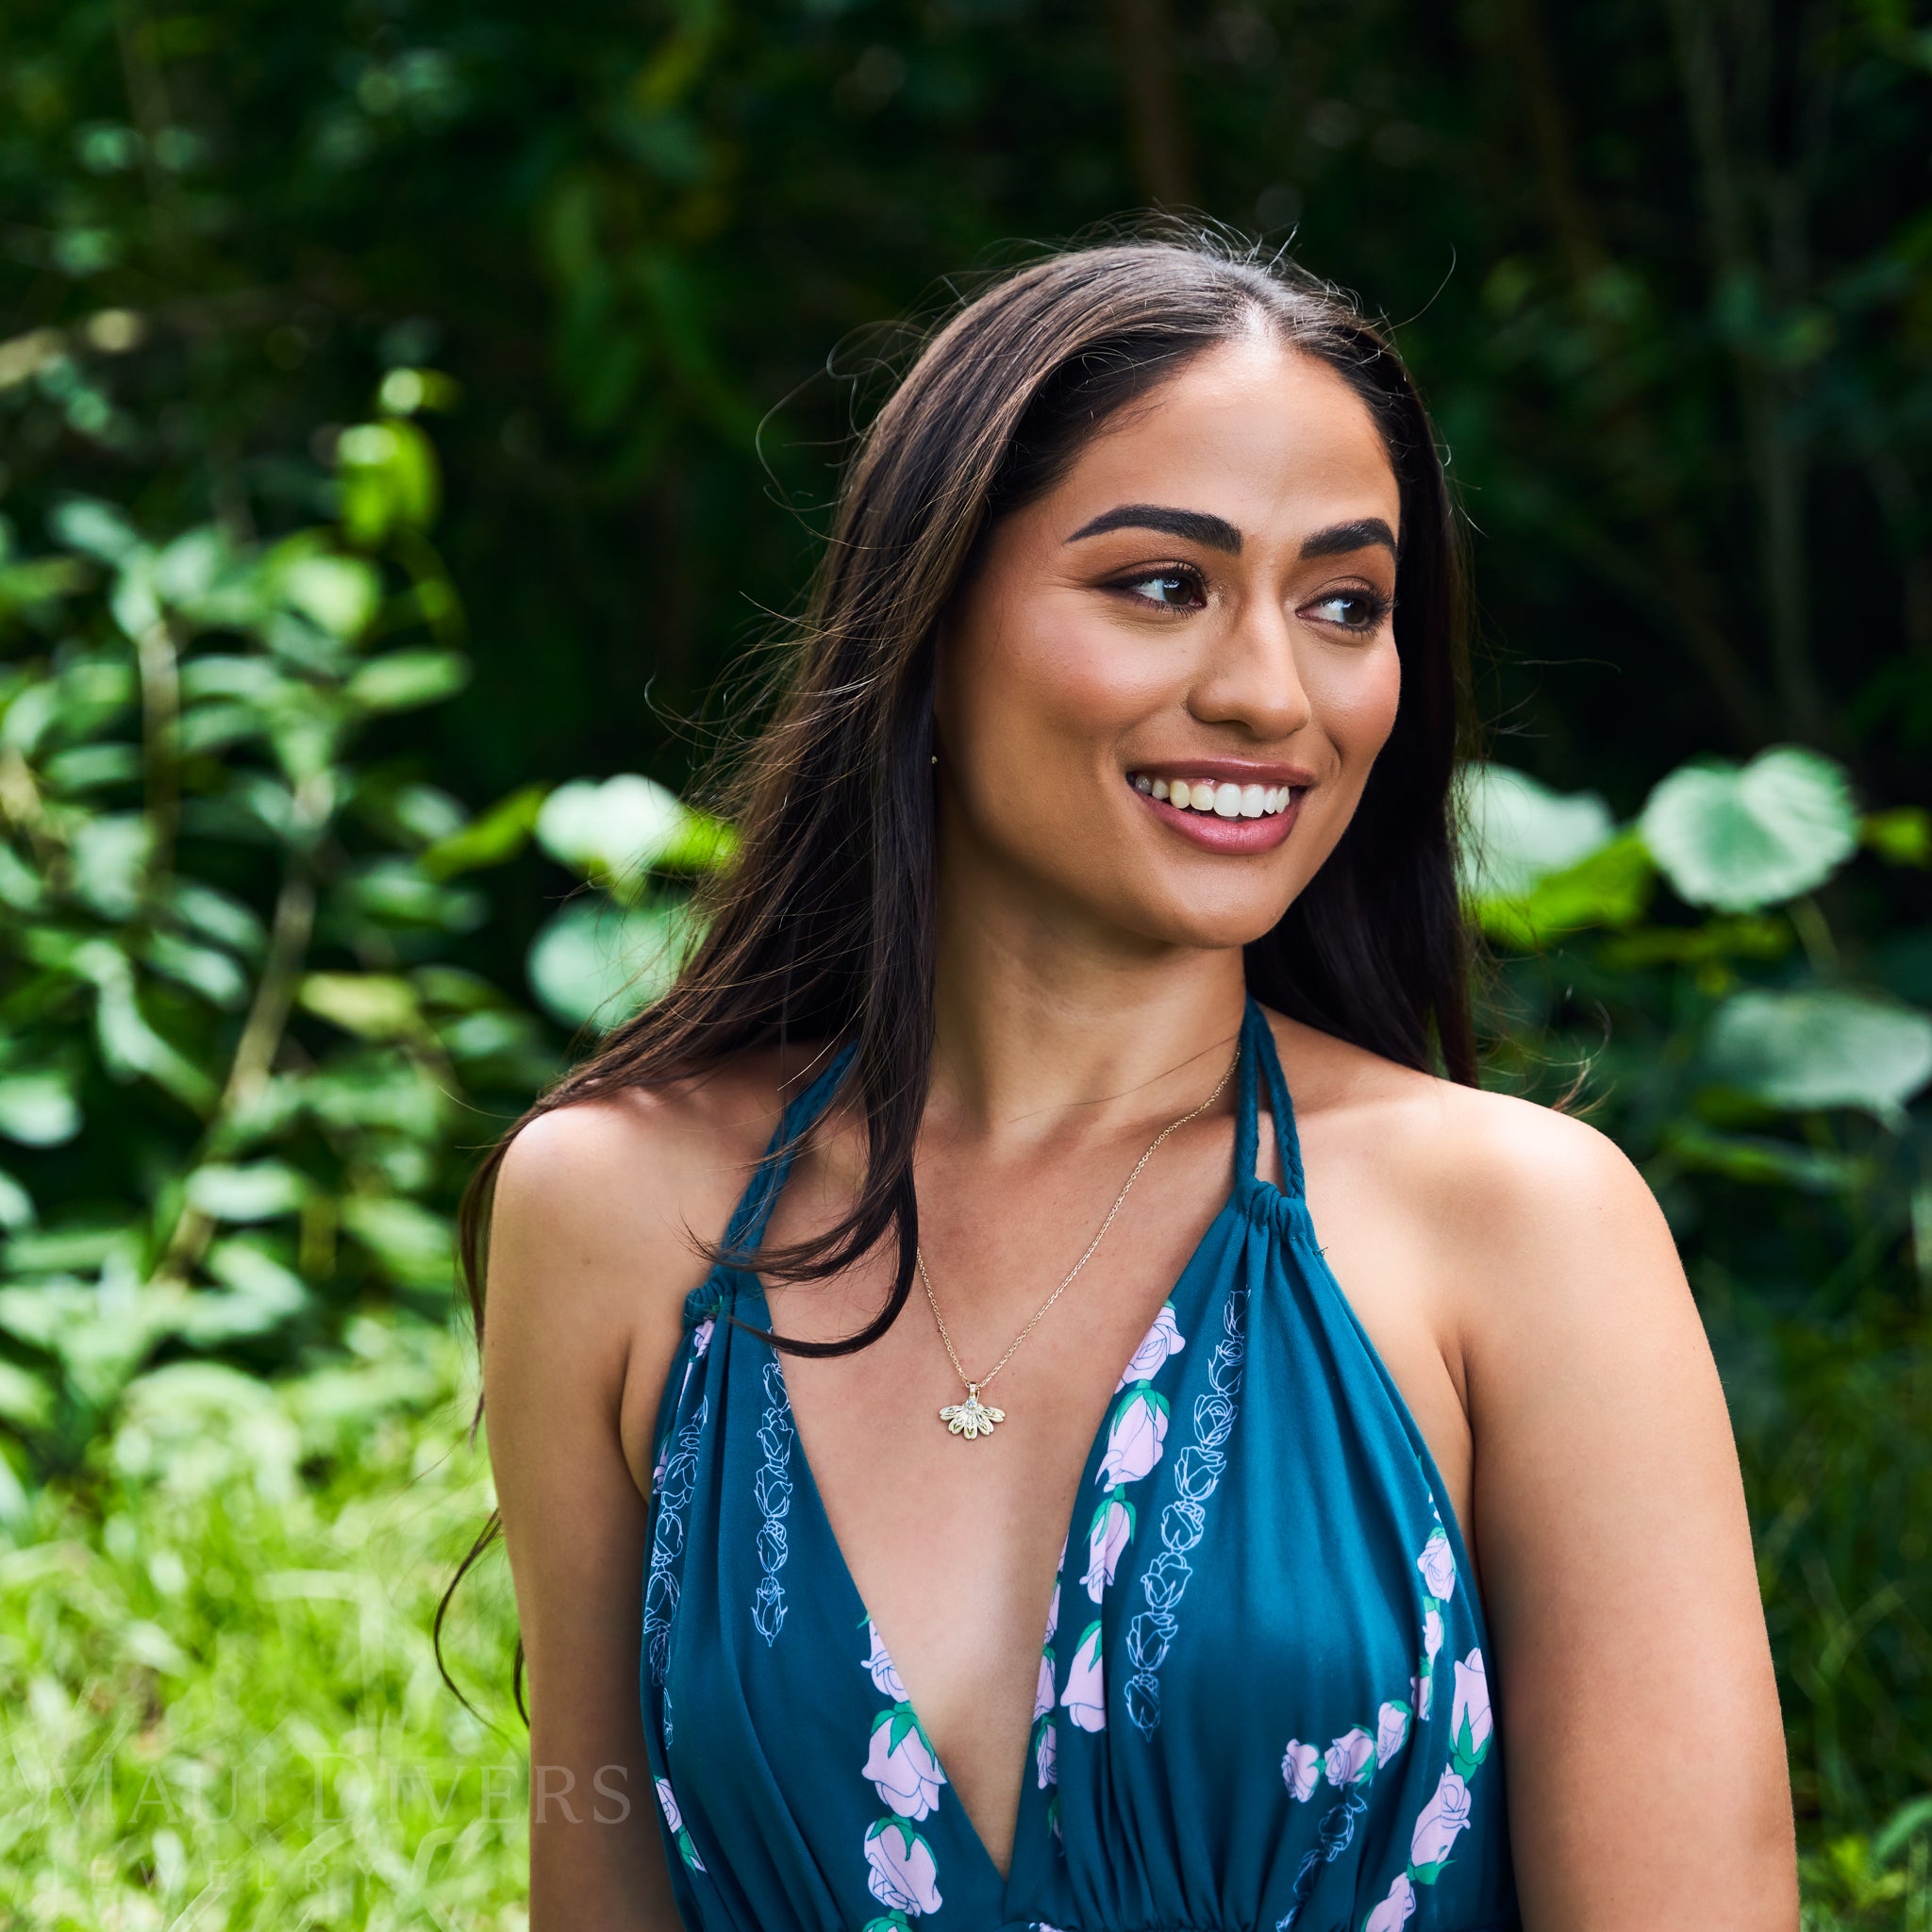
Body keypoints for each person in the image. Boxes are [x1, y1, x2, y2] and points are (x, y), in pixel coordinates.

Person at [470, 235, 1797, 1932]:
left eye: (1345, 605)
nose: (1268, 693)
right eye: (1165, 584)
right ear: (930, 621)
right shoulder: (617, 1206)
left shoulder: (1519, 1227)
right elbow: (594, 1843)